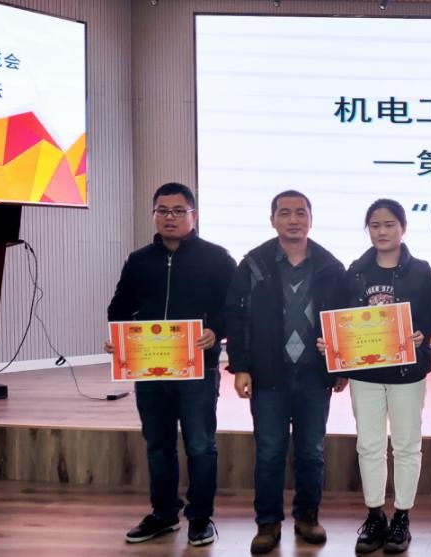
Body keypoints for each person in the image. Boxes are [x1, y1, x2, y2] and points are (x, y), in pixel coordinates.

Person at [105, 182, 236, 547]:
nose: (170, 217)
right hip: (149, 370)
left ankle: (200, 518)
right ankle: (164, 514)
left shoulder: (217, 258)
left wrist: (216, 331)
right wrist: (119, 339)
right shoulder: (138, 260)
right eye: (162, 211)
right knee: (158, 445)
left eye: (179, 211)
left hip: (197, 369)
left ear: (194, 215)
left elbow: (234, 307)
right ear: (154, 215)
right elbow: (119, 308)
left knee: (200, 445)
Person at [224, 190, 349, 555]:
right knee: (269, 452)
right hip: (269, 375)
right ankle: (268, 522)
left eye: (300, 213)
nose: (293, 220)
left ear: (311, 219)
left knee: (311, 452)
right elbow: (236, 317)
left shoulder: (330, 266)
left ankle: (308, 516)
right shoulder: (253, 265)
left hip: (313, 375)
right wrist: (241, 367)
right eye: (285, 213)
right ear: (272, 220)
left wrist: (340, 364)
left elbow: (344, 319)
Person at [315, 199, 431, 555]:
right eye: (375, 225)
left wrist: (423, 333)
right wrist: (332, 344)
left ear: (403, 228)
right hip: (366, 374)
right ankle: (374, 516)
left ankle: (402, 518)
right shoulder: (355, 272)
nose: (382, 232)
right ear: (368, 229)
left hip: (407, 373)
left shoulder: (421, 271)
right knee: (369, 445)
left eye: (389, 224)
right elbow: (340, 317)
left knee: (407, 446)